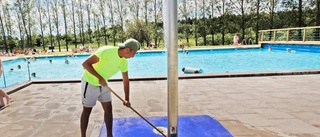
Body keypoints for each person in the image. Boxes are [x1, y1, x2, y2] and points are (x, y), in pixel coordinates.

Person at [80, 38, 140, 137]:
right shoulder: (106, 51)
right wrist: (99, 78)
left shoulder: (123, 62)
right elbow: (85, 64)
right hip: (90, 82)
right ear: (127, 50)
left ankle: (109, 135)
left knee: (108, 109)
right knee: (87, 111)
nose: (133, 56)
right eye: (134, 53)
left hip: (104, 84)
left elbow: (126, 80)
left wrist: (127, 99)